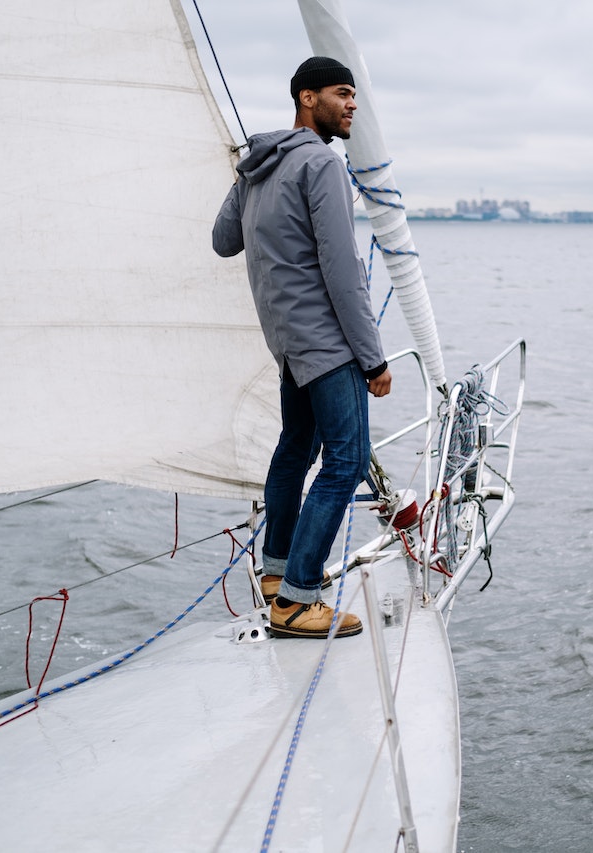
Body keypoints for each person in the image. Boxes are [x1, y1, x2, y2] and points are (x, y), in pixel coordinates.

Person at [212, 56, 392, 639]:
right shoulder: (320, 164)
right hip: (328, 346)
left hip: (287, 345)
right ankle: (297, 600)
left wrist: (244, 181)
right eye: (343, 94)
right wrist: (374, 358)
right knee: (347, 462)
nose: (352, 106)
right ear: (307, 98)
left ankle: (276, 573)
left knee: (295, 451)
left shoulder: (259, 166)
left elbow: (222, 241)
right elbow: (344, 274)